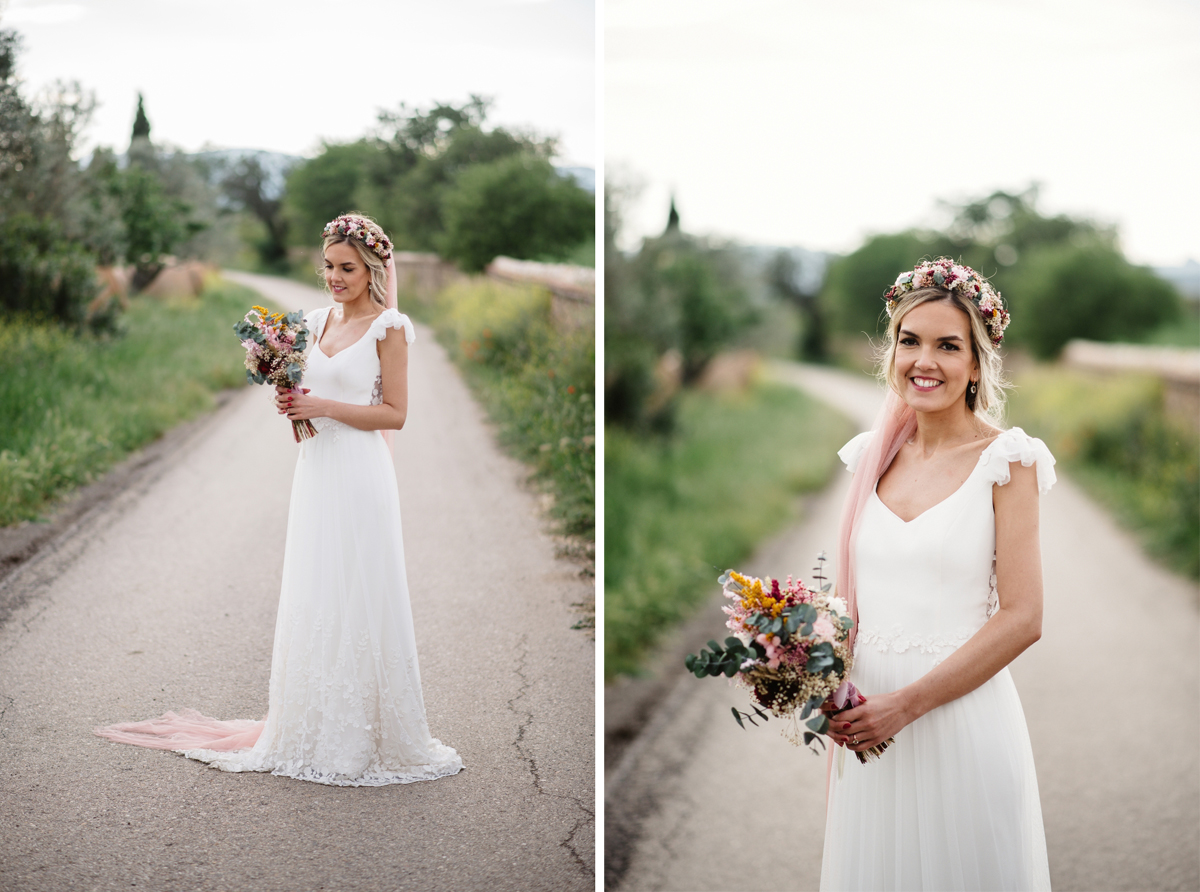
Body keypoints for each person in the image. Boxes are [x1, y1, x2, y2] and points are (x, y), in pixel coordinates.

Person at [96, 213, 463, 787]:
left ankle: (357, 734)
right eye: (328, 267)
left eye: (346, 268)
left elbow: (396, 413)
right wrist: (291, 399)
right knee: (316, 590)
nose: (335, 278)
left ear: (371, 270)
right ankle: (308, 723)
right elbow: (304, 388)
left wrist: (323, 408)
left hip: (362, 474)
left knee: (360, 591)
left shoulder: (391, 327)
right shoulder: (314, 321)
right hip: (316, 472)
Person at [819, 258, 1053, 890]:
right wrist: (807, 664)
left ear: (977, 363)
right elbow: (850, 600)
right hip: (868, 727)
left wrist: (907, 705)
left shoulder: (1008, 462)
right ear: (891, 351)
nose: (924, 361)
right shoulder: (871, 458)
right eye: (909, 341)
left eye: (948, 345)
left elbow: (1024, 617)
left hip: (957, 717)